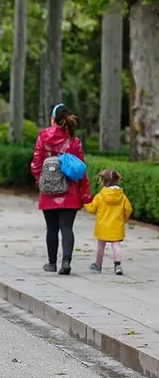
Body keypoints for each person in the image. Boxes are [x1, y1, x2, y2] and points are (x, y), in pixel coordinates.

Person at [31, 104, 92, 275]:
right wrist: (85, 193)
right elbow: (81, 170)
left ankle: (51, 263)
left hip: (48, 190)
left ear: (52, 119)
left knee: (51, 228)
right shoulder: (74, 142)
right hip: (70, 190)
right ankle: (66, 261)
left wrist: (41, 181)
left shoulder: (43, 137)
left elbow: (36, 164)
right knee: (67, 228)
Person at [85, 170, 132, 275]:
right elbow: (128, 209)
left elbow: (92, 208)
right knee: (116, 245)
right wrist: (123, 219)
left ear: (103, 181)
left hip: (102, 225)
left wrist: (85, 204)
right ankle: (117, 265)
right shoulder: (122, 197)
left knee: (101, 247)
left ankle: (98, 265)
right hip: (116, 225)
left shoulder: (100, 196)